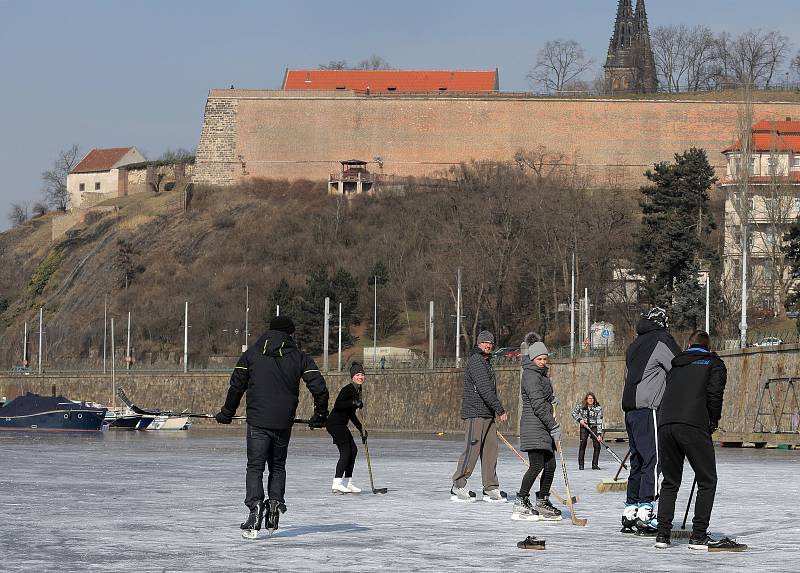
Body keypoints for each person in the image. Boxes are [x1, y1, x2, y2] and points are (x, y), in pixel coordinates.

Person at [215, 315, 329, 538]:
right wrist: (320, 414)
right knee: (277, 467)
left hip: (257, 421)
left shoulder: (251, 355)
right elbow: (319, 387)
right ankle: (274, 505)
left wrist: (227, 413)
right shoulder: (299, 357)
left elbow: (236, 386)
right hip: (283, 422)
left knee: (255, 468)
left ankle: (255, 508)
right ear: (290, 334)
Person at [654, 331, 744, 551]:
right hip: (693, 424)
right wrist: (712, 422)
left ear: (688, 344)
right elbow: (715, 395)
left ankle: (662, 535)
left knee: (670, 481)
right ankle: (698, 535)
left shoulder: (676, 365)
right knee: (707, 480)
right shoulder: (714, 364)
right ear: (708, 345)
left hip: (666, 424)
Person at [621, 307, 681, 537]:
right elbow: (678, 364)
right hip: (649, 407)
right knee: (654, 460)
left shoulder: (634, 345)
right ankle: (647, 511)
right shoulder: (662, 339)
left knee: (637, 460)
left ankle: (631, 510)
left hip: (630, 408)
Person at [451, 330, 509, 502]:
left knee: (491, 451)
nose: (488, 345)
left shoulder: (487, 362)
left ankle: (490, 487)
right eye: (485, 342)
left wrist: (493, 411)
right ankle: (458, 485)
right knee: (472, 450)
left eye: (490, 343)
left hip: (487, 414)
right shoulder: (476, 361)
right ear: (478, 343)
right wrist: (500, 409)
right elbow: (484, 389)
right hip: (475, 413)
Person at [511, 334, 562, 521]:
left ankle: (542, 500)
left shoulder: (540, 375)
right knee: (537, 465)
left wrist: (551, 399)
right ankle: (521, 500)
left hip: (542, 426)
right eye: (539, 359)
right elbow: (538, 405)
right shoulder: (531, 375)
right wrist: (554, 425)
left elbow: (543, 398)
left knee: (551, 465)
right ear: (532, 358)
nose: (542, 362)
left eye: (544, 359)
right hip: (534, 426)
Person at [326, 362, 367, 494]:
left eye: (362, 375)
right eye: (358, 375)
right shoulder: (348, 389)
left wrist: (361, 429)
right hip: (335, 424)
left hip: (341, 424)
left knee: (353, 450)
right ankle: (337, 483)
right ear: (352, 377)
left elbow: (350, 413)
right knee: (346, 452)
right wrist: (353, 402)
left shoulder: (358, 391)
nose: (360, 377)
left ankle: (348, 482)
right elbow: (338, 405)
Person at [571, 392, 604, 470]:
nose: (590, 400)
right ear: (586, 399)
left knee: (597, 446)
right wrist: (580, 420)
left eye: (592, 399)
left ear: (594, 400)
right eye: (589, 398)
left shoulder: (598, 408)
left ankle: (594, 464)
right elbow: (573, 413)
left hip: (594, 427)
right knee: (583, 444)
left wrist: (599, 434)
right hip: (584, 427)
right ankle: (581, 465)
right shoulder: (581, 406)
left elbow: (599, 421)